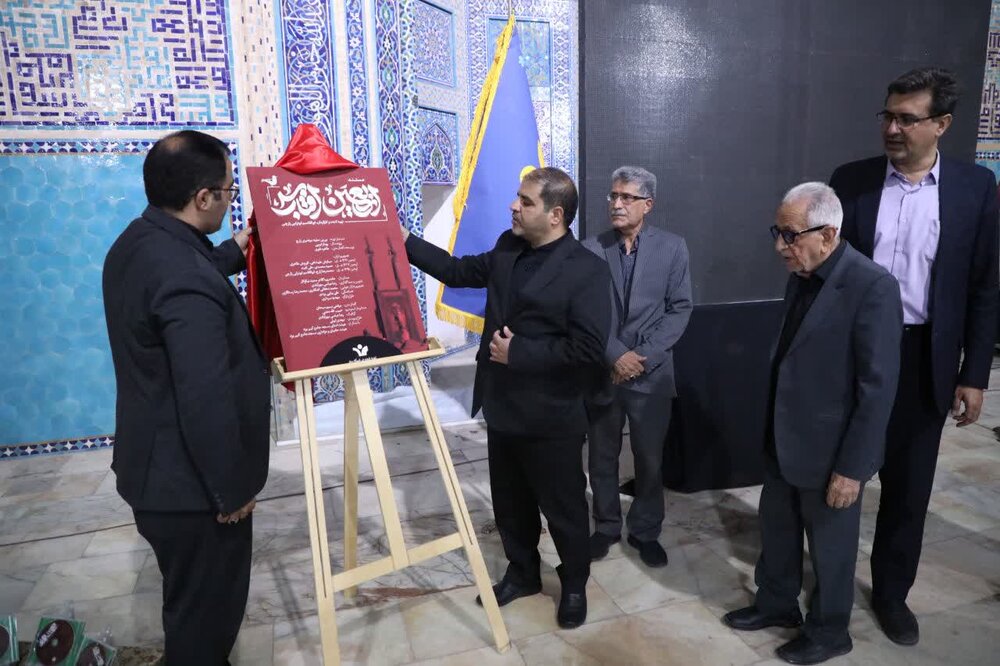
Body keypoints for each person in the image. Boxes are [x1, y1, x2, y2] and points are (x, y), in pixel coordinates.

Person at [829, 67, 999, 646]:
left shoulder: (975, 188)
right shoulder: (850, 181)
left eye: (907, 119)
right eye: (888, 116)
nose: (892, 129)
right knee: (839, 474)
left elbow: (984, 287)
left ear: (941, 124)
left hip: (925, 355)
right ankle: (829, 587)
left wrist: (974, 374)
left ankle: (891, 594)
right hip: (854, 354)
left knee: (908, 489)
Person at [401, 167, 611, 629]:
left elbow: (589, 349)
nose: (514, 206)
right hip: (503, 407)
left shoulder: (587, 270)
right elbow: (457, 271)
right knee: (511, 505)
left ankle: (575, 583)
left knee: (564, 509)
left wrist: (520, 353)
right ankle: (523, 572)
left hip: (552, 415)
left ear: (556, 215)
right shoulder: (507, 247)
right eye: (517, 197)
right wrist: (403, 240)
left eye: (526, 201)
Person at [102, 130, 270, 665]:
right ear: (203, 198)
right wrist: (231, 490)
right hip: (193, 493)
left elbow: (186, 277)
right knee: (205, 623)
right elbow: (205, 396)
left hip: (153, 471)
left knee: (188, 607)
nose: (229, 199)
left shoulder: (138, 243)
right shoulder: (183, 275)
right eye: (227, 190)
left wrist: (236, 248)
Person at [723, 183, 902, 665]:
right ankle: (777, 603)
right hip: (783, 439)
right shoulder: (801, 275)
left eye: (790, 235)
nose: (780, 246)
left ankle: (829, 630)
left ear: (827, 233)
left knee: (831, 549)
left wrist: (853, 468)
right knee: (777, 531)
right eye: (777, 233)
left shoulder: (872, 287)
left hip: (831, 452)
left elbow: (877, 389)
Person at [582, 166, 692, 568]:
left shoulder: (673, 248)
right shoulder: (591, 249)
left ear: (648, 204)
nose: (617, 204)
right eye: (613, 196)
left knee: (649, 460)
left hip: (651, 373)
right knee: (601, 457)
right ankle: (606, 526)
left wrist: (640, 358)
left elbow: (680, 309)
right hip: (604, 371)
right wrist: (615, 355)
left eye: (627, 197)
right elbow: (585, 312)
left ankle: (645, 531)